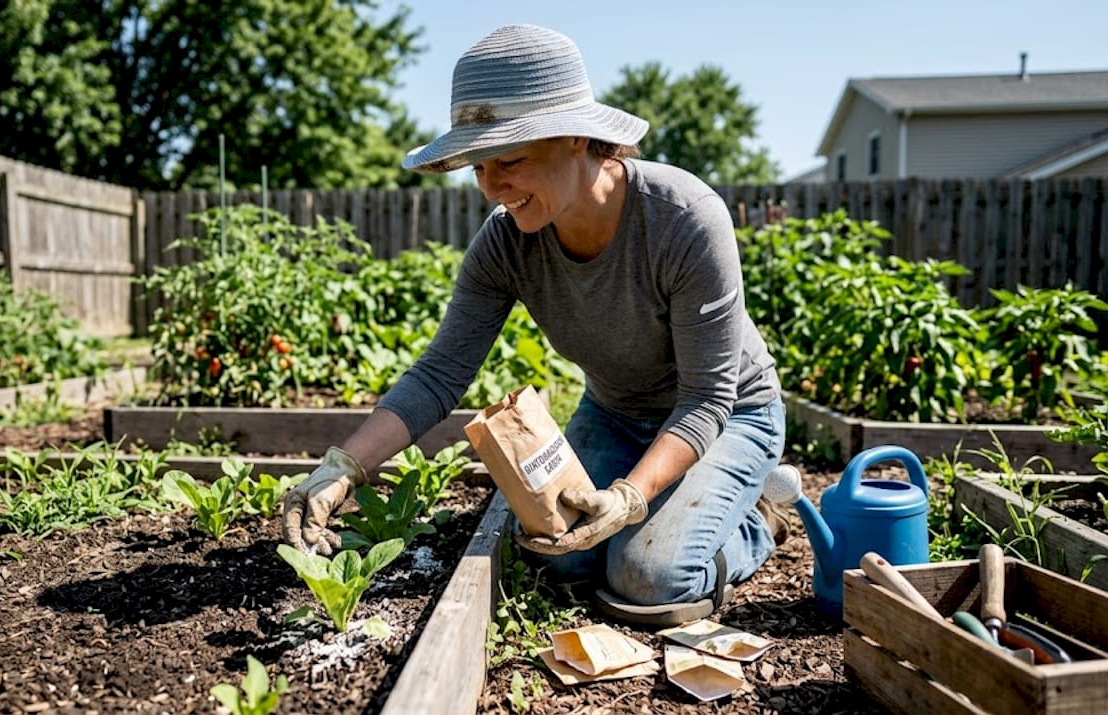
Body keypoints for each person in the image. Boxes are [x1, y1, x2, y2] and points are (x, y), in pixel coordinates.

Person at [283, 23, 787, 626]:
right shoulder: (505, 246)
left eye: (511, 160)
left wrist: (629, 496)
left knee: (647, 578)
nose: (492, 188)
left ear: (578, 138)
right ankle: (686, 512)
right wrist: (342, 468)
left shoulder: (683, 220)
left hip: (730, 414)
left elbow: (708, 397)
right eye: (478, 166)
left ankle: (762, 517)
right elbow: (441, 373)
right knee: (560, 559)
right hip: (617, 413)